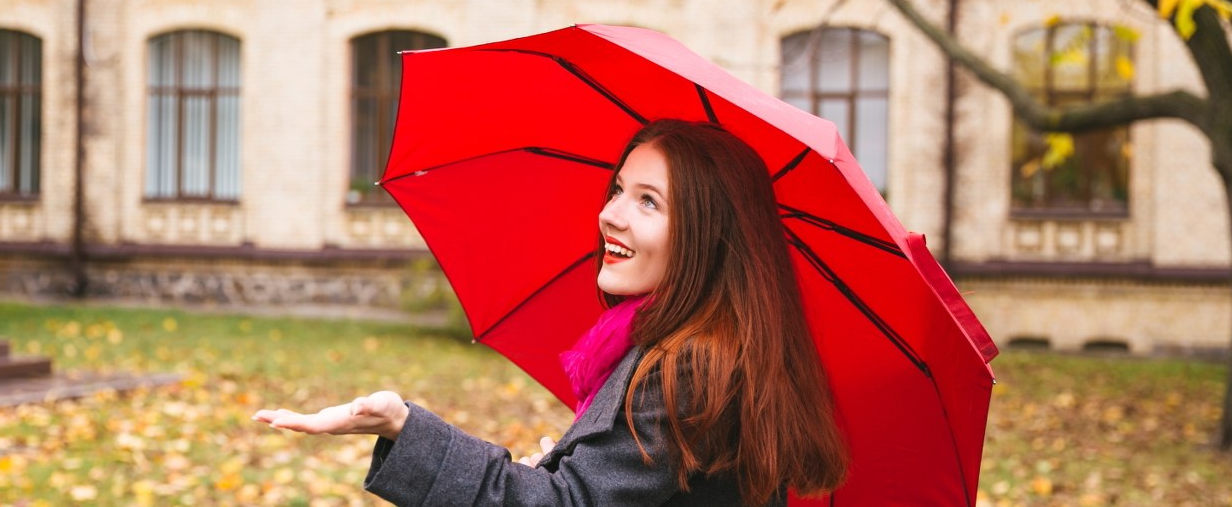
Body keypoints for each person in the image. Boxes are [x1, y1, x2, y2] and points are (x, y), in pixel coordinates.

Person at [253, 120, 849, 506]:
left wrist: (403, 426)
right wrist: (557, 474)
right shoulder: (688, 346)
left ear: (708, 236)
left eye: (648, 201)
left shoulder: (690, 369)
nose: (610, 215)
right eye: (618, 189)